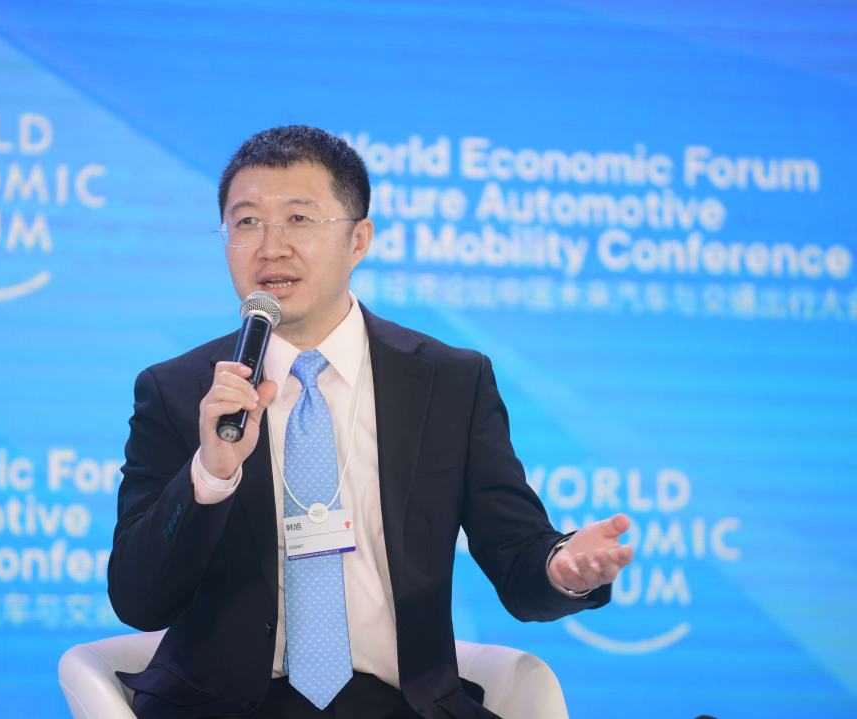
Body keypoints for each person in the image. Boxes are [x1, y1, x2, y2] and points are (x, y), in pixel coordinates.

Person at [108, 125, 633, 719]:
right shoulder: (182, 392)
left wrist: (563, 569)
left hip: (401, 703)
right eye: (247, 222)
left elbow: (516, 555)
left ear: (358, 240)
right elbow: (138, 600)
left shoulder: (449, 382)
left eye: (299, 219)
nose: (271, 247)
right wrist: (209, 475)